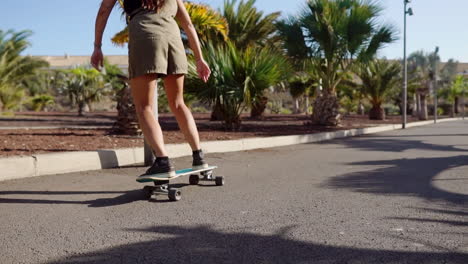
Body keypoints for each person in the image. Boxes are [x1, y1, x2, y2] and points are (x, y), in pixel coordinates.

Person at [91, 0, 211, 179]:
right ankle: (198, 156)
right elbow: (188, 24)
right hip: (173, 39)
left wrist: (97, 46)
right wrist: (200, 59)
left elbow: (104, 11)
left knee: (144, 107)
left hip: (146, 36)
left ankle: (162, 161)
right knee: (178, 103)